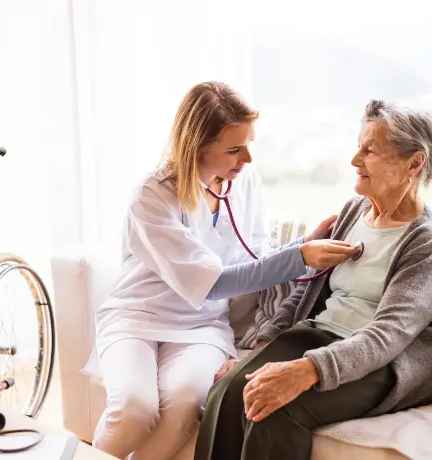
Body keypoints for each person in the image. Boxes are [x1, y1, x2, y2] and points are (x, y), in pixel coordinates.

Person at [91, 81, 358, 460]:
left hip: (201, 326)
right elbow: (216, 283)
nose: (247, 159)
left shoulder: (244, 182)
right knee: (134, 408)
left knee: (185, 405)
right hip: (137, 317)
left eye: (249, 144)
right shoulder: (153, 197)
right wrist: (299, 256)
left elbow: (254, 256)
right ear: (196, 148)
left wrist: (303, 247)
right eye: (234, 149)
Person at [195, 99, 432, 460]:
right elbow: (309, 288)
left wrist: (307, 370)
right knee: (228, 390)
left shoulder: (427, 243)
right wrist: (262, 348)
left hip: (386, 363)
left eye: (370, 151)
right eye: (359, 147)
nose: (355, 161)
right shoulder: (355, 211)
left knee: (272, 410)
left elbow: (388, 336)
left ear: (414, 163)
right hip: (320, 336)